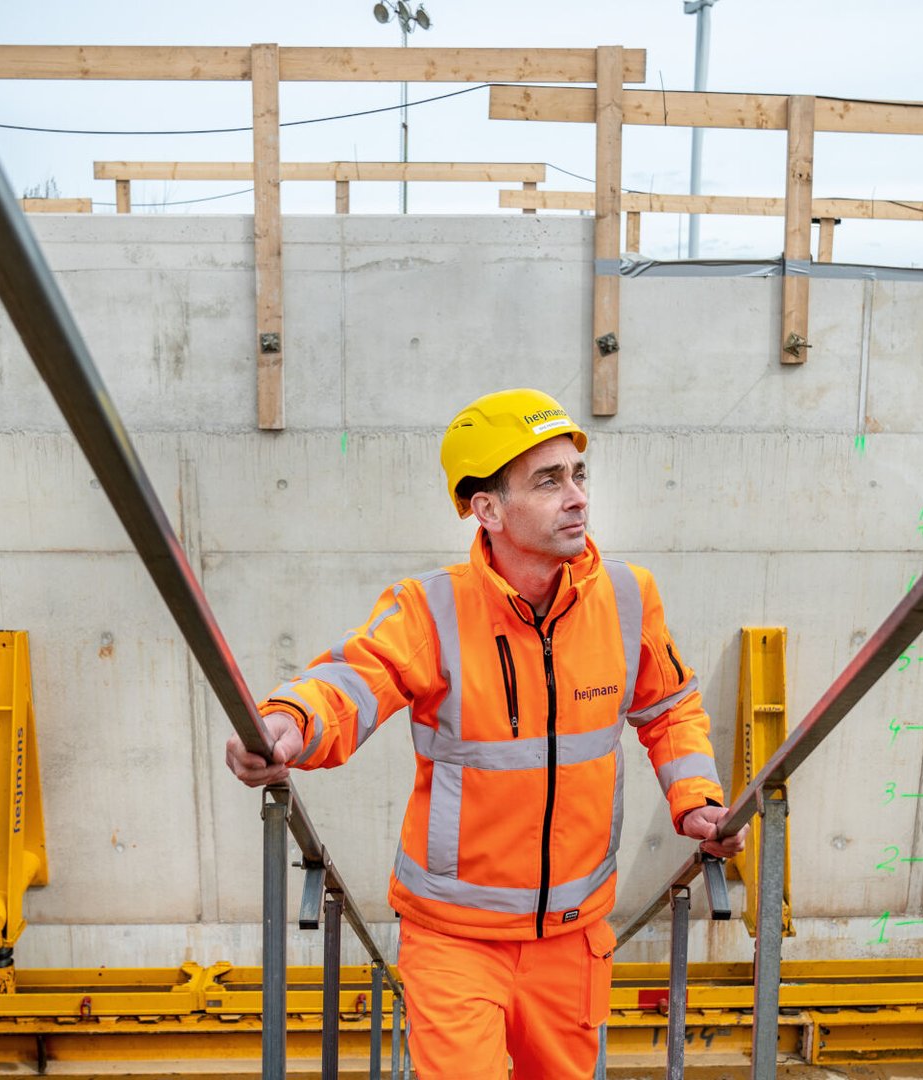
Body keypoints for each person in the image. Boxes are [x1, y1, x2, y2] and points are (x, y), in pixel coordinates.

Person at [225, 387, 747, 1078]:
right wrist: (289, 722)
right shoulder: (431, 608)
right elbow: (356, 679)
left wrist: (697, 799)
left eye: (579, 475)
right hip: (455, 940)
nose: (578, 498)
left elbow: (670, 706)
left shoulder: (627, 597)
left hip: (573, 935)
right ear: (488, 508)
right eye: (549, 481)